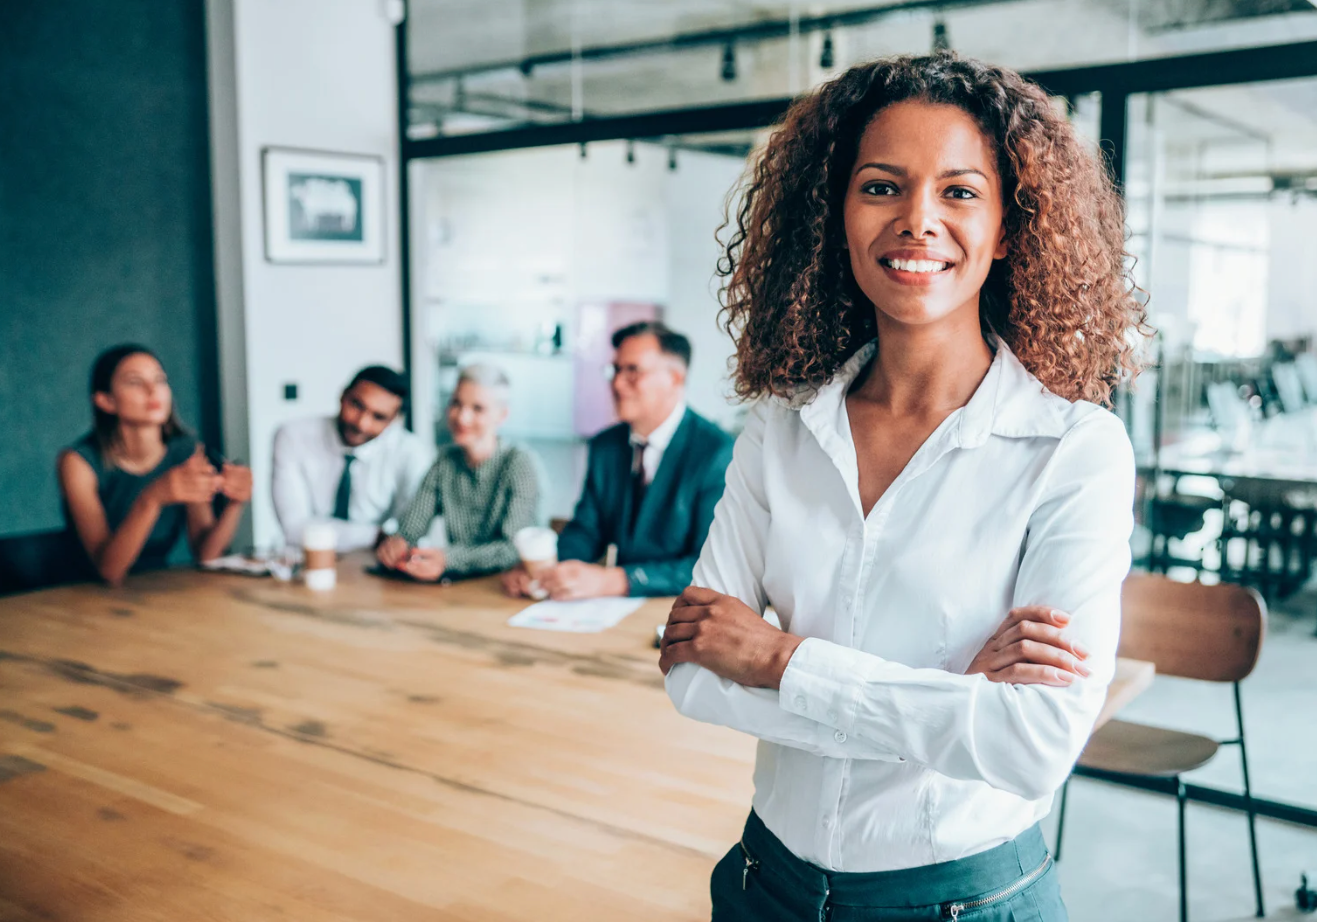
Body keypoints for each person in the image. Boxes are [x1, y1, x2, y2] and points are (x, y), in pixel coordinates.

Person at [658, 53, 1148, 921]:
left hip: (964, 901)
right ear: (836, 215)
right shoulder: (780, 428)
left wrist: (778, 661)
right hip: (763, 886)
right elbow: (694, 673)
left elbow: (1032, 745)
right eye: (882, 187)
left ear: (1008, 227)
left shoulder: (1074, 451)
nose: (918, 221)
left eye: (959, 192)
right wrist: (954, 698)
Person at [501, 321, 734, 600]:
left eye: (633, 371)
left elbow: (709, 565)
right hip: (612, 613)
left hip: (682, 611)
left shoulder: (717, 452)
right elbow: (587, 530)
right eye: (616, 370)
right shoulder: (605, 446)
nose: (617, 383)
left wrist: (615, 581)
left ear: (675, 378)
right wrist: (543, 571)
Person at [59, 345, 253, 586]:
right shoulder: (77, 462)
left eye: (160, 380)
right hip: (79, 596)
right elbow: (109, 571)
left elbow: (206, 555)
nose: (153, 391)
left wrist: (236, 503)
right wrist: (152, 498)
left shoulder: (186, 451)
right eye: (134, 382)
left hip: (155, 588)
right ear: (106, 401)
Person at [377, 365, 542, 582]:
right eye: (456, 403)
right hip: (458, 588)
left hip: (508, 586)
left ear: (501, 416)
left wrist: (448, 559)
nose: (462, 417)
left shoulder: (519, 464)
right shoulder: (445, 462)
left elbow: (513, 549)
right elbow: (412, 527)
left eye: (478, 409)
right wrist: (398, 543)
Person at [271, 365, 433, 552]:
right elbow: (294, 528)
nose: (362, 424)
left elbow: (410, 531)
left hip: (376, 565)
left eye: (378, 417)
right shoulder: (292, 436)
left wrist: (393, 540)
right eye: (357, 405)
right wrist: (377, 536)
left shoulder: (410, 452)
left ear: (393, 420)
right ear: (342, 395)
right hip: (308, 560)